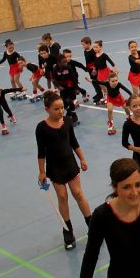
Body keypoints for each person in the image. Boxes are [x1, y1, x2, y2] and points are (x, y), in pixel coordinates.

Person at [35, 92, 92, 249]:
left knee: (78, 194)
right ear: (47, 109)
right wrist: (41, 172)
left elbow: (74, 142)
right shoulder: (41, 128)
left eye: (61, 108)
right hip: (54, 168)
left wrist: (82, 158)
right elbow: (41, 152)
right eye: (56, 109)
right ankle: (68, 231)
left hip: (70, 164)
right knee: (62, 197)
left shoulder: (67, 121)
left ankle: (92, 225)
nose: (60, 111)